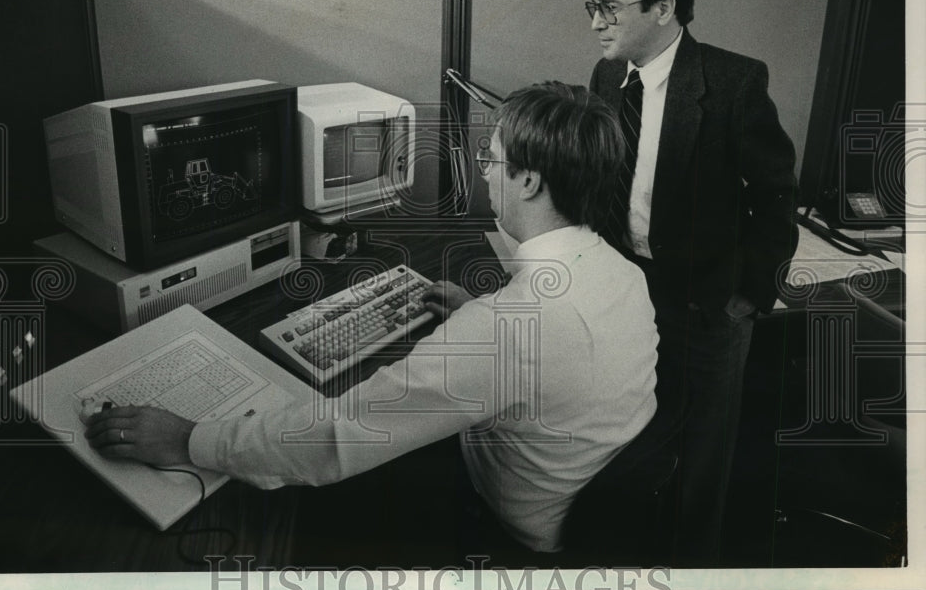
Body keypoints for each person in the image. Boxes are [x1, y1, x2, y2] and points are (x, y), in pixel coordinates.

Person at [86, 82, 659, 556]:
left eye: (492, 159)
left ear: (529, 180)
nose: (485, 173)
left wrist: (192, 439)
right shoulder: (623, 275)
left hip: (514, 535)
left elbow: (339, 437)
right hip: (598, 501)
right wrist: (476, 313)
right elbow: (550, 352)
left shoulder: (509, 330)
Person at [586, 0, 800, 565]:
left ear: (662, 7)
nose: (596, 22)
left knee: (702, 461)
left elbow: (776, 195)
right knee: (629, 440)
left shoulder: (732, 82)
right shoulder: (605, 74)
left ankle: (695, 568)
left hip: (707, 302)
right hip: (625, 293)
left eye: (610, 7)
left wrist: (747, 296)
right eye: (590, 6)